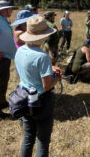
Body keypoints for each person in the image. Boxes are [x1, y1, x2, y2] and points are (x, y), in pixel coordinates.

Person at [15, 16, 63, 157]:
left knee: (28, 137)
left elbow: (27, 70)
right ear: (43, 37)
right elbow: (47, 86)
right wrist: (57, 78)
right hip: (41, 100)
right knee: (42, 140)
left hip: (23, 97)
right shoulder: (42, 56)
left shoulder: (20, 50)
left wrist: (50, 68)